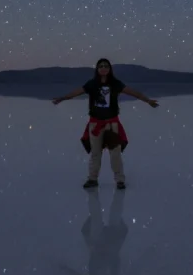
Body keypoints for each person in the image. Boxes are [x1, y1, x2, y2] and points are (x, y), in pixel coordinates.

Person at [52, 58, 159, 189]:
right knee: (95, 153)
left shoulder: (115, 84)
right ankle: (92, 179)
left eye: (106, 66)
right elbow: (77, 92)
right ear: (97, 69)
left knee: (115, 154)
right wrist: (62, 98)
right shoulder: (92, 84)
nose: (103, 68)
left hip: (112, 124)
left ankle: (120, 180)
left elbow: (133, 93)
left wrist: (147, 100)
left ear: (109, 69)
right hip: (95, 124)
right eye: (101, 66)